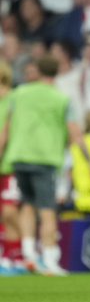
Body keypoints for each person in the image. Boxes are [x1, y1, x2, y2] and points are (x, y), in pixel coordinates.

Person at [0, 55, 90, 275]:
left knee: (26, 205)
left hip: (18, 158)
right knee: (47, 211)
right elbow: (75, 134)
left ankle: (28, 255)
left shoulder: (19, 94)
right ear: (57, 73)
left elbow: (4, 131)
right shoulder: (61, 99)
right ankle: (51, 259)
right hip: (44, 159)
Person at [0, 62, 24, 275]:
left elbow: (5, 133)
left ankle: (17, 256)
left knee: (9, 211)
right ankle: (7, 257)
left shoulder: (15, 98)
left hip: (11, 165)